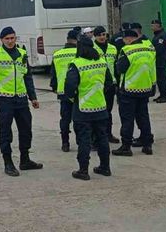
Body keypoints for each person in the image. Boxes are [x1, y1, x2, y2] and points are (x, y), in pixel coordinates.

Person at [0, 26, 43, 176]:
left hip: (21, 99)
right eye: (7, 39)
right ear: (2, 40)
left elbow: (27, 77)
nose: (10, 41)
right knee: (6, 132)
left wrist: (33, 97)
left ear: (15, 38)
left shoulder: (22, 54)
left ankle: (25, 160)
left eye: (12, 38)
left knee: (26, 130)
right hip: (4, 100)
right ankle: (8, 163)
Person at [64, 35, 112, 180]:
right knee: (102, 138)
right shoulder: (102, 62)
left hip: (83, 109)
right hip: (100, 107)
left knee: (84, 140)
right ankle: (105, 167)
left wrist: (73, 97)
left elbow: (70, 86)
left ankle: (83, 170)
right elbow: (109, 83)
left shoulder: (76, 64)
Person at [112, 29, 155, 156]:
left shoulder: (127, 50)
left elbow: (120, 69)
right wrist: (153, 85)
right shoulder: (148, 49)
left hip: (129, 90)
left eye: (124, 39)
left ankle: (126, 146)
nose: (123, 42)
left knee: (127, 119)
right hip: (145, 88)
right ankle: (147, 145)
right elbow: (152, 69)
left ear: (129, 38)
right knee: (143, 117)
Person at [50, 29, 78, 152]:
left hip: (63, 91)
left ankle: (65, 143)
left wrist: (54, 87)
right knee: (79, 118)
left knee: (65, 118)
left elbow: (53, 73)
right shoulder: (80, 53)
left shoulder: (57, 54)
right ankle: (81, 141)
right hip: (78, 91)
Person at [93, 26, 120, 144]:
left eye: (103, 34)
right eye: (99, 35)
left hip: (111, 84)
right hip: (97, 85)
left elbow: (116, 66)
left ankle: (108, 134)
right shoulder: (91, 49)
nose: (102, 37)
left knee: (108, 112)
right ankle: (96, 137)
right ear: (95, 36)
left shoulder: (113, 48)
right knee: (96, 112)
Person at [151, 20, 166, 103]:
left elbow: (159, 49)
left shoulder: (161, 36)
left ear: (158, 26)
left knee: (161, 78)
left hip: (160, 60)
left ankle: (164, 96)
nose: (152, 27)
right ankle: (162, 95)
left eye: (153, 26)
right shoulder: (157, 35)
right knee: (159, 79)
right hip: (158, 60)